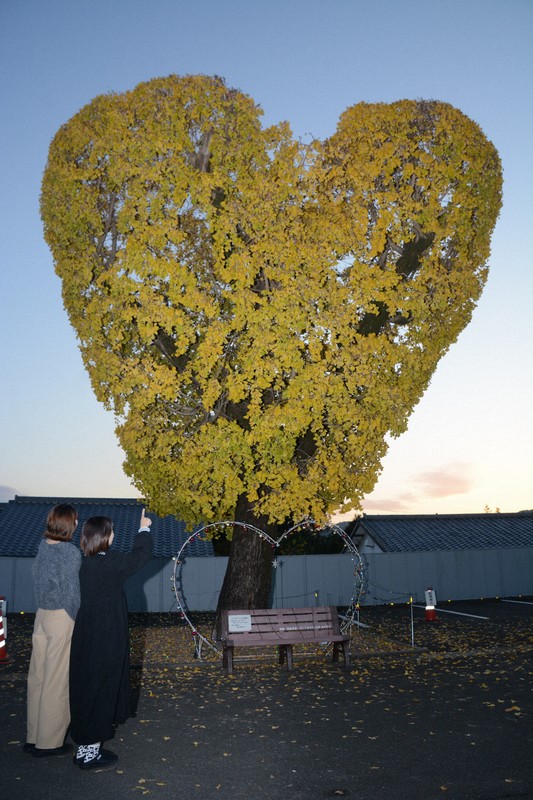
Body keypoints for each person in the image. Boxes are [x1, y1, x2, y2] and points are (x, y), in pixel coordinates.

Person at [69, 508, 153, 770]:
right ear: (105, 537)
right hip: (107, 635)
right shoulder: (110, 563)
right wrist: (144, 528)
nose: (115, 535)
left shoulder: (84, 563)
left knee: (86, 686)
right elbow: (141, 556)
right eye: (112, 531)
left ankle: (85, 748)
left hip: (85, 634)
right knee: (102, 687)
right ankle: (90, 754)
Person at [26, 503, 81, 757]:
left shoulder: (42, 547)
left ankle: (33, 736)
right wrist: (76, 617)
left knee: (37, 677)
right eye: (76, 520)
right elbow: (72, 592)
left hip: (41, 616)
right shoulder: (69, 552)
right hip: (61, 616)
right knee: (56, 680)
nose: (78, 524)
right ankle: (49, 743)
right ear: (69, 523)